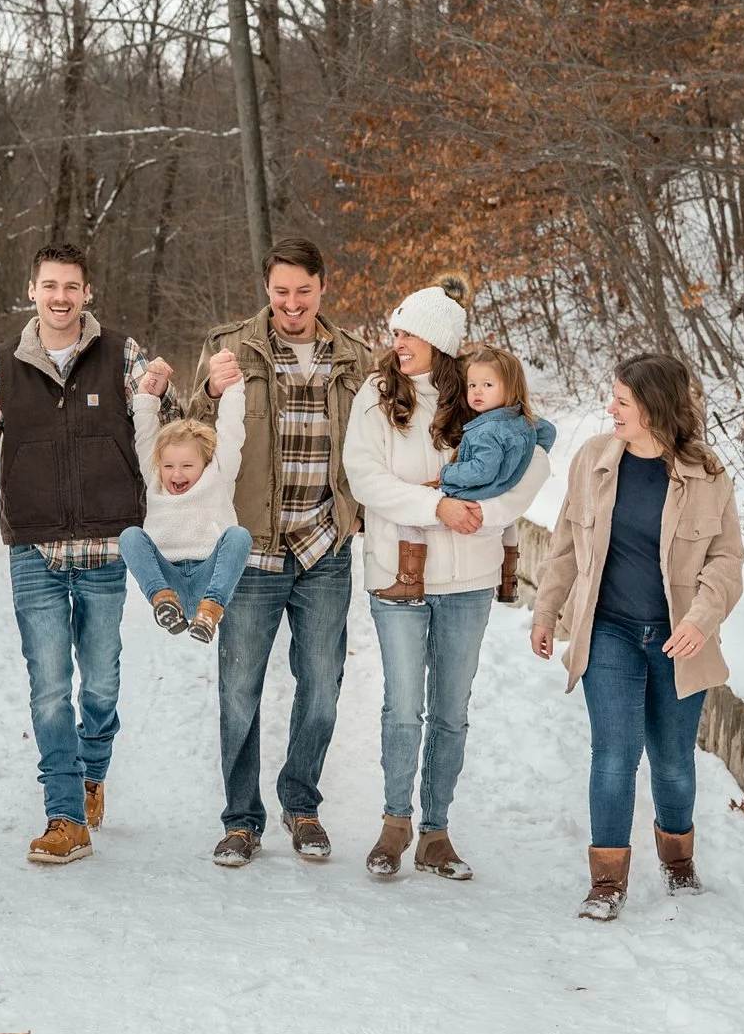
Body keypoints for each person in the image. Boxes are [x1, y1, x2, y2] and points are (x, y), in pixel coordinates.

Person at [0, 242, 175, 865]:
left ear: (87, 292)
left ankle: (93, 771)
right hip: (34, 548)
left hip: (105, 546)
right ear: (32, 290)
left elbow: (165, 436)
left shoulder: (123, 354)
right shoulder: (1, 366)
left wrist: (165, 394)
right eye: (50, 286)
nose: (60, 297)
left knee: (99, 683)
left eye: (72, 286)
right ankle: (64, 814)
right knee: (48, 687)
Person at [343, 278, 552, 881]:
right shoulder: (378, 396)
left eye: (408, 332)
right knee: (404, 707)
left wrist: (487, 514)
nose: (396, 341)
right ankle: (393, 824)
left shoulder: (483, 394)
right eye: (396, 331)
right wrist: (435, 507)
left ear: (439, 340)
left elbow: (533, 463)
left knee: (451, 710)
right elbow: (365, 476)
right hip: (397, 574)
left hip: (468, 576)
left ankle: (436, 832)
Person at [529, 352, 744, 919]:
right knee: (614, 754)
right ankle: (606, 883)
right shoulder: (594, 461)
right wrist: (546, 613)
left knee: (672, 761)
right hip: (609, 633)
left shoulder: (707, 474)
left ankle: (678, 862)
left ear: (653, 408)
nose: (611, 408)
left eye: (622, 400)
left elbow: (726, 561)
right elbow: (566, 546)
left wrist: (701, 618)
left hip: (679, 640)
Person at [190, 238, 375, 870]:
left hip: (325, 545)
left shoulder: (358, 359)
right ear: (266, 289)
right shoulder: (230, 348)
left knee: (321, 685)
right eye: (280, 291)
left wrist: (355, 514)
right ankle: (240, 821)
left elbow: (383, 440)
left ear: (323, 286)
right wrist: (209, 394)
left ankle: (302, 803)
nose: (292, 304)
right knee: (239, 688)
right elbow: (187, 442)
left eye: (303, 290)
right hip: (252, 552)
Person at [381, 342, 557, 605]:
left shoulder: (486, 430)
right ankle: (508, 579)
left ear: (511, 388)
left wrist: (450, 473)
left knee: (410, 516)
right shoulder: (523, 421)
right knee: (509, 525)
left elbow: (481, 470)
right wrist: (524, 454)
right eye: (472, 385)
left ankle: (410, 579)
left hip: (468, 497)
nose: (477, 392)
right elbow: (548, 432)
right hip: (497, 499)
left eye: (488, 385)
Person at [118, 385, 252, 642]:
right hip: (167, 579)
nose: (176, 474)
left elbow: (232, 431)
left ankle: (210, 612)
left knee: (238, 535)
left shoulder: (219, 474)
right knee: (130, 536)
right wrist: (146, 394)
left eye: (187, 466)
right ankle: (163, 603)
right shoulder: (156, 478)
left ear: (206, 462)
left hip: (209, 578)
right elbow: (145, 436)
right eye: (169, 466)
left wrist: (233, 387)